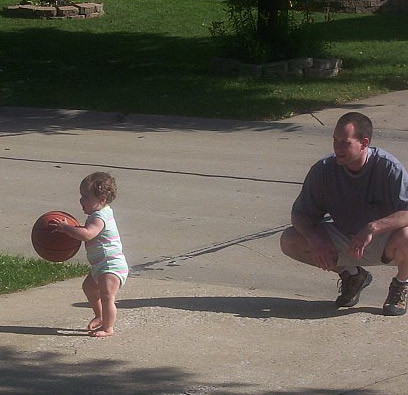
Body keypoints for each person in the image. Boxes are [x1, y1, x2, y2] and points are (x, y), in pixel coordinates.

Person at [280, 112, 408, 316]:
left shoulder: (388, 167)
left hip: (382, 241)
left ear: (364, 143)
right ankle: (353, 276)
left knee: (407, 235)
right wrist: (315, 240)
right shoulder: (324, 170)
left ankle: (401, 284)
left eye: (345, 143)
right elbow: (301, 215)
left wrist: (373, 227)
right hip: (346, 239)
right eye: (335, 141)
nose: (338, 148)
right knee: (290, 239)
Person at [52, 172, 128, 337]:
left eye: (85, 196)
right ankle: (100, 316)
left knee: (108, 296)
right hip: (100, 266)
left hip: (111, 265)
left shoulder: (100, 217)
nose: (81, 200)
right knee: (89, 288)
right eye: (81, 196)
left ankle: (108, 328)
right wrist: (74, 229)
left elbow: (87, 234)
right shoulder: (99, 213)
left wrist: (67, 229)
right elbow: (87, 231)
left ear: (101, 198)